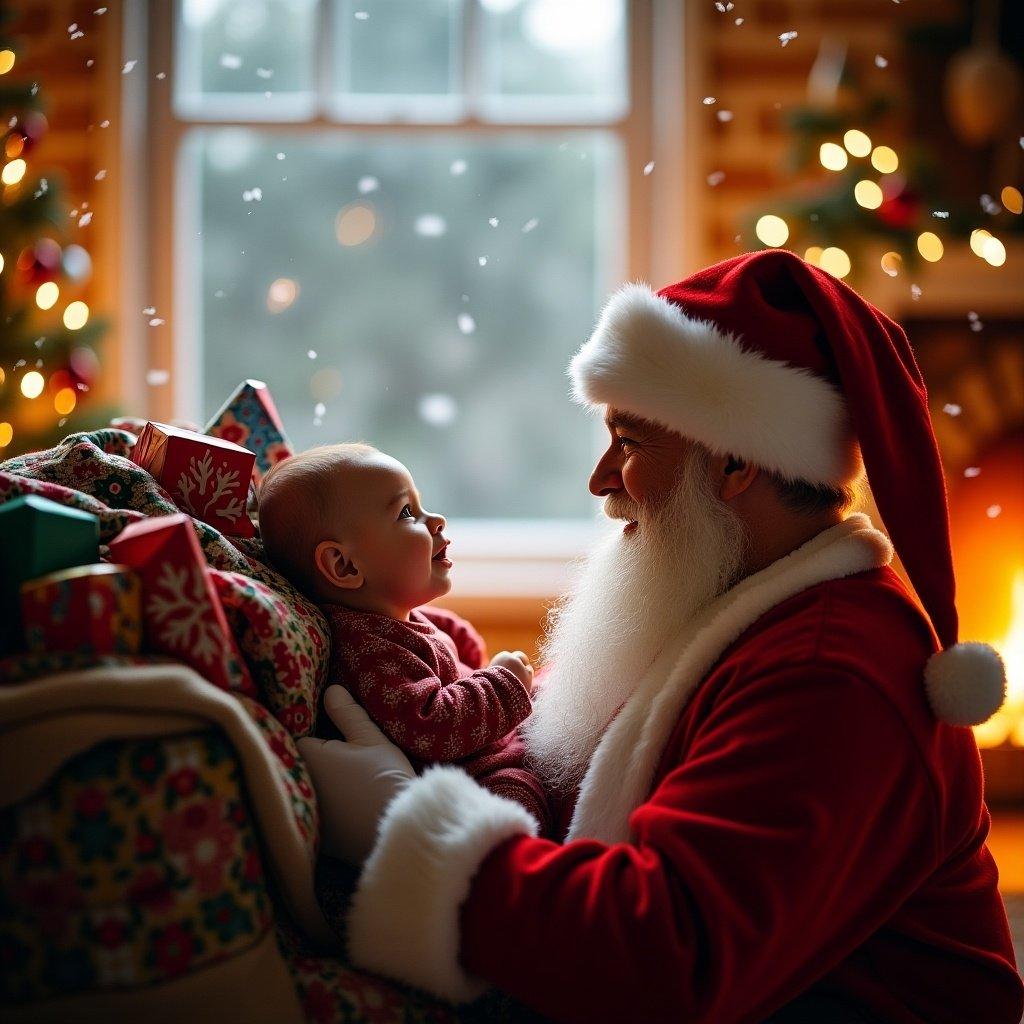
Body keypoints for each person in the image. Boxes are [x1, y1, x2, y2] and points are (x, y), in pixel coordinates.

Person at [298, 251, 1024, 1023]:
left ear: (737, 463)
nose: (601, 478)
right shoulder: (731, 599)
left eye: (632, 443)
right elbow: (568, 743)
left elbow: (666, 960)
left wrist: (404, 832)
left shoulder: (830, 673)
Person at [258, 442, 549, 833]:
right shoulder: (368, 650)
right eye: (407, 513)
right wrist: (501, 685)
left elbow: (440, 639)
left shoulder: (390, 618)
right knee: (522, 806)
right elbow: (434, 727)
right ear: (343, 565)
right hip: (477, 783)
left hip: (498, 751)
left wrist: (456, 640)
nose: (437, 520)